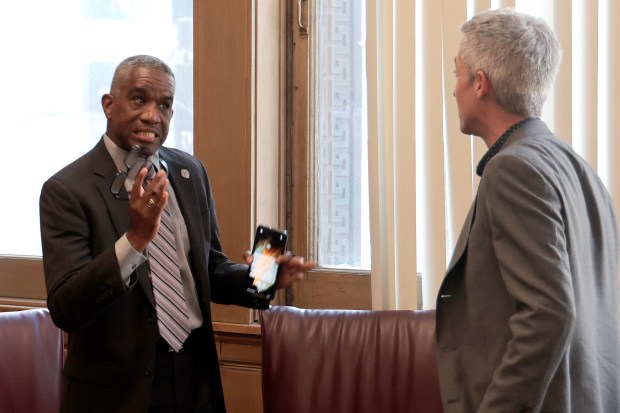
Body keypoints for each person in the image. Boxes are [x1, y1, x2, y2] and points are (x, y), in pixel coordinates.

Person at [39, 54, 315, 413]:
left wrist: (263, 278)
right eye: (139, 99)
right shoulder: (66, 190)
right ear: (108, 104)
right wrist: (134, 241)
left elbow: (210, 270)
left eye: (165, 105)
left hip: (195, 377)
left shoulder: (189, 172)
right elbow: (66, 307)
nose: (153, 115)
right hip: (116, 392)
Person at [437, 8, 620, 413]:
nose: (453, 90)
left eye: (457, 73)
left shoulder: (512, 170)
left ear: (479, 83)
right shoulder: (579, 168)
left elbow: (548, 314)